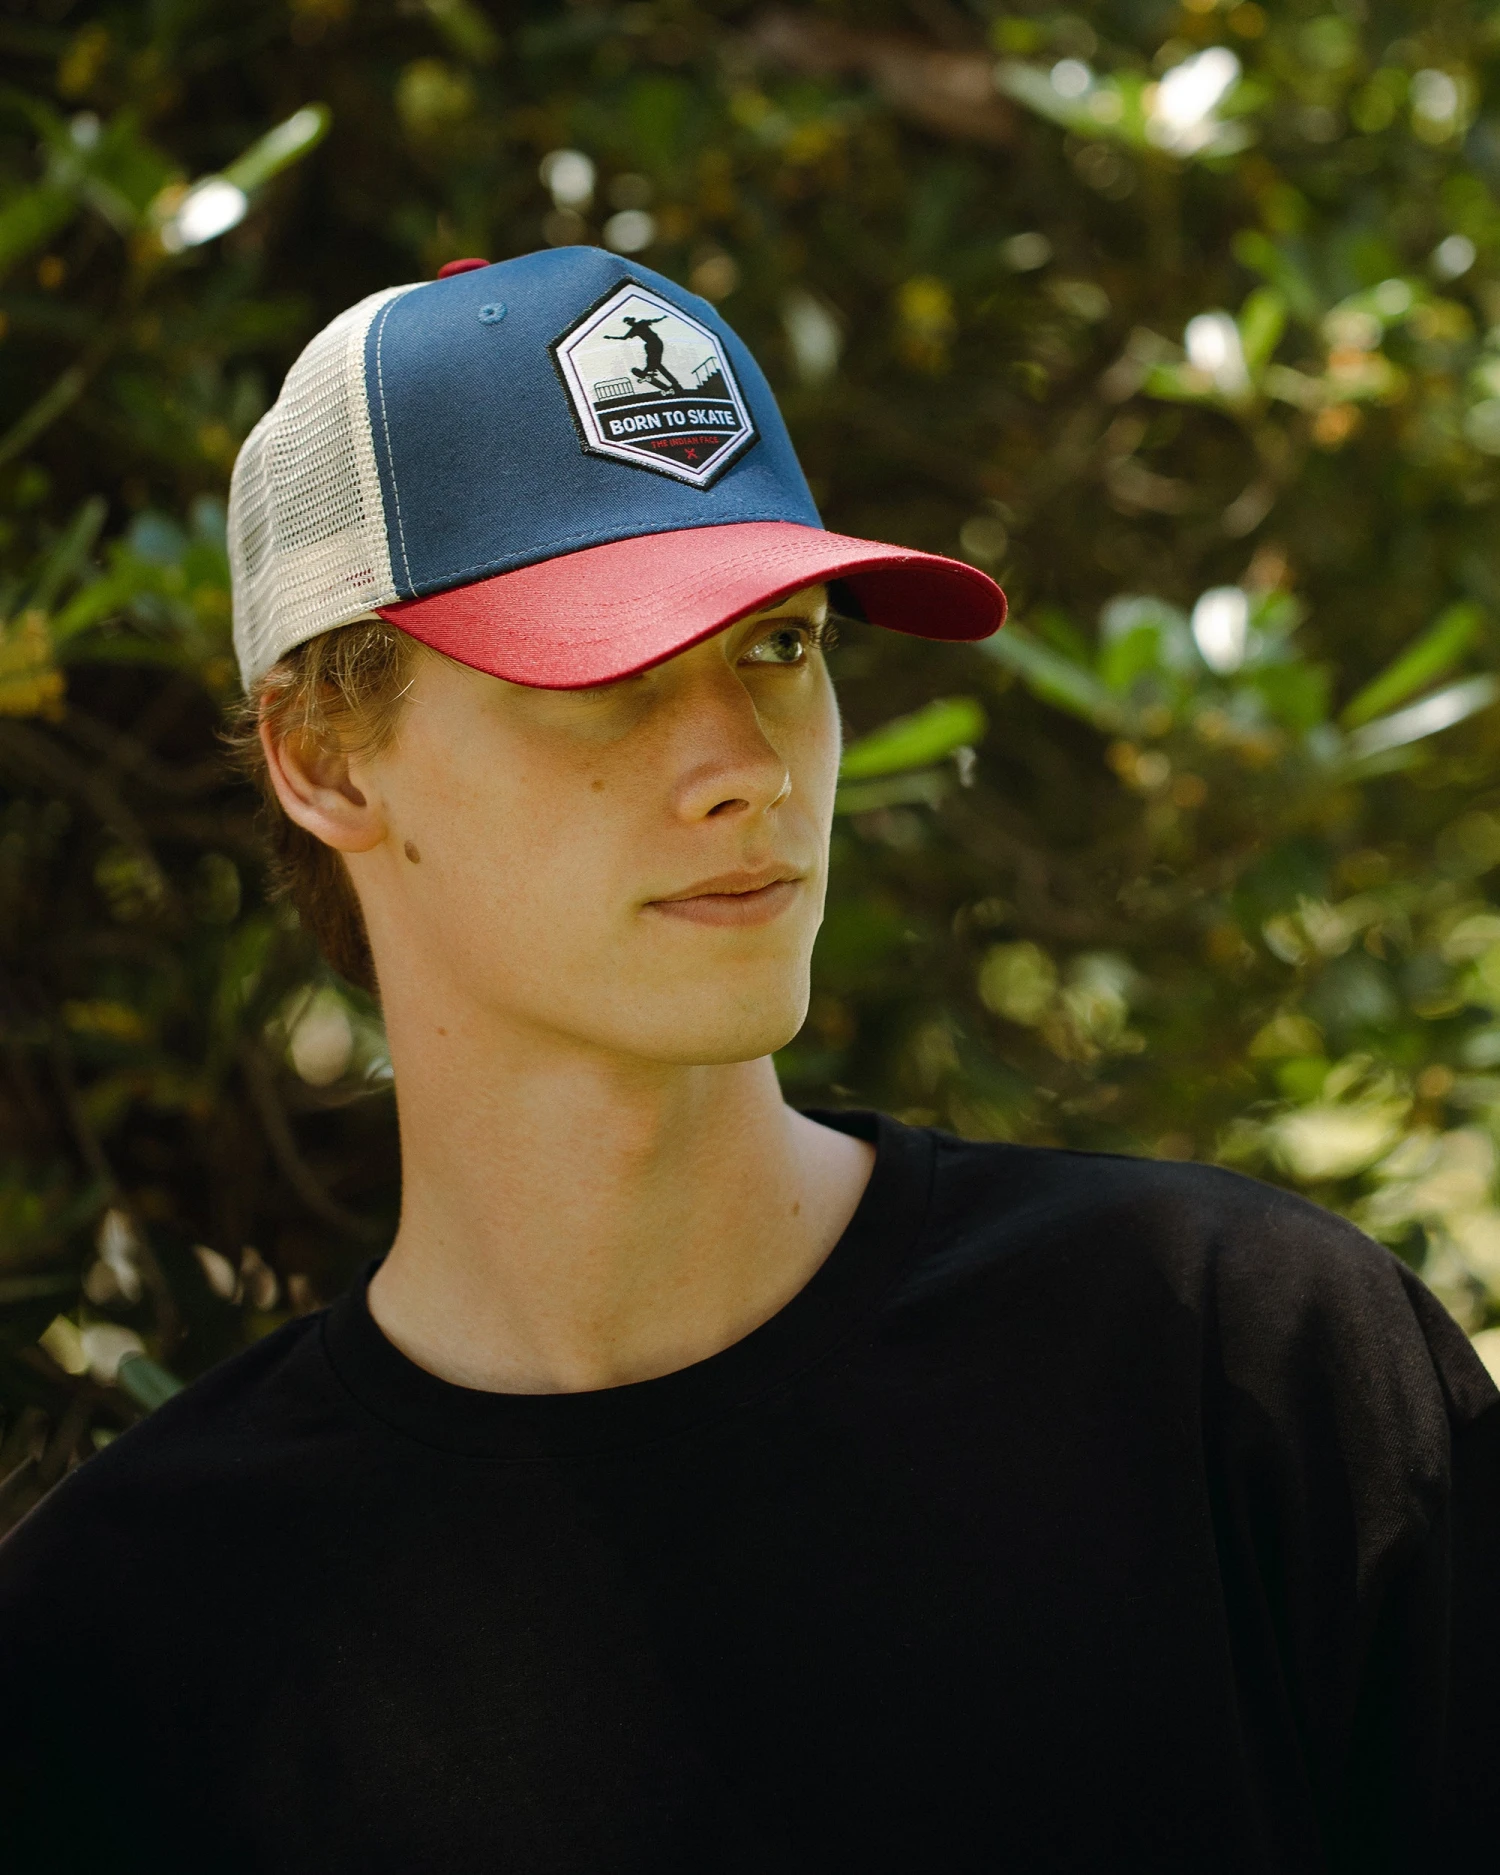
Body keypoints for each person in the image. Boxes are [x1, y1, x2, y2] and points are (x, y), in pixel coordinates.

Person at [1, 246, 1496, 1875]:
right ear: (326, 759)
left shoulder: (1250, 1377)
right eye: (602, 668)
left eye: (779, 645)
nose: (744, 766)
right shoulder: (121, 1646)